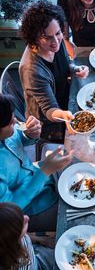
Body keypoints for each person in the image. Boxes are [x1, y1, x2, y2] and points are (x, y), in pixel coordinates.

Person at [0, 95, 74, 231]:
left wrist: (28, 135)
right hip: (35, 207)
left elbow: (16, 137)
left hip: (42, 174)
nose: (16, 122)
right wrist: (44, 171)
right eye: (11, 123)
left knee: (77, 165)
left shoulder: (6, 130)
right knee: (77, 215)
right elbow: (11, 208)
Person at [19, 0, 89, 142]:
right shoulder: (32, 70)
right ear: (34, 38)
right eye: (47, 37)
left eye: (58, 33)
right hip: (48, 124)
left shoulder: (56, 41)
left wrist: (75, 69)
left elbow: (65, 64)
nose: (56, 42)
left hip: (66, 98)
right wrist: (63, 115)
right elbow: (49, 110)